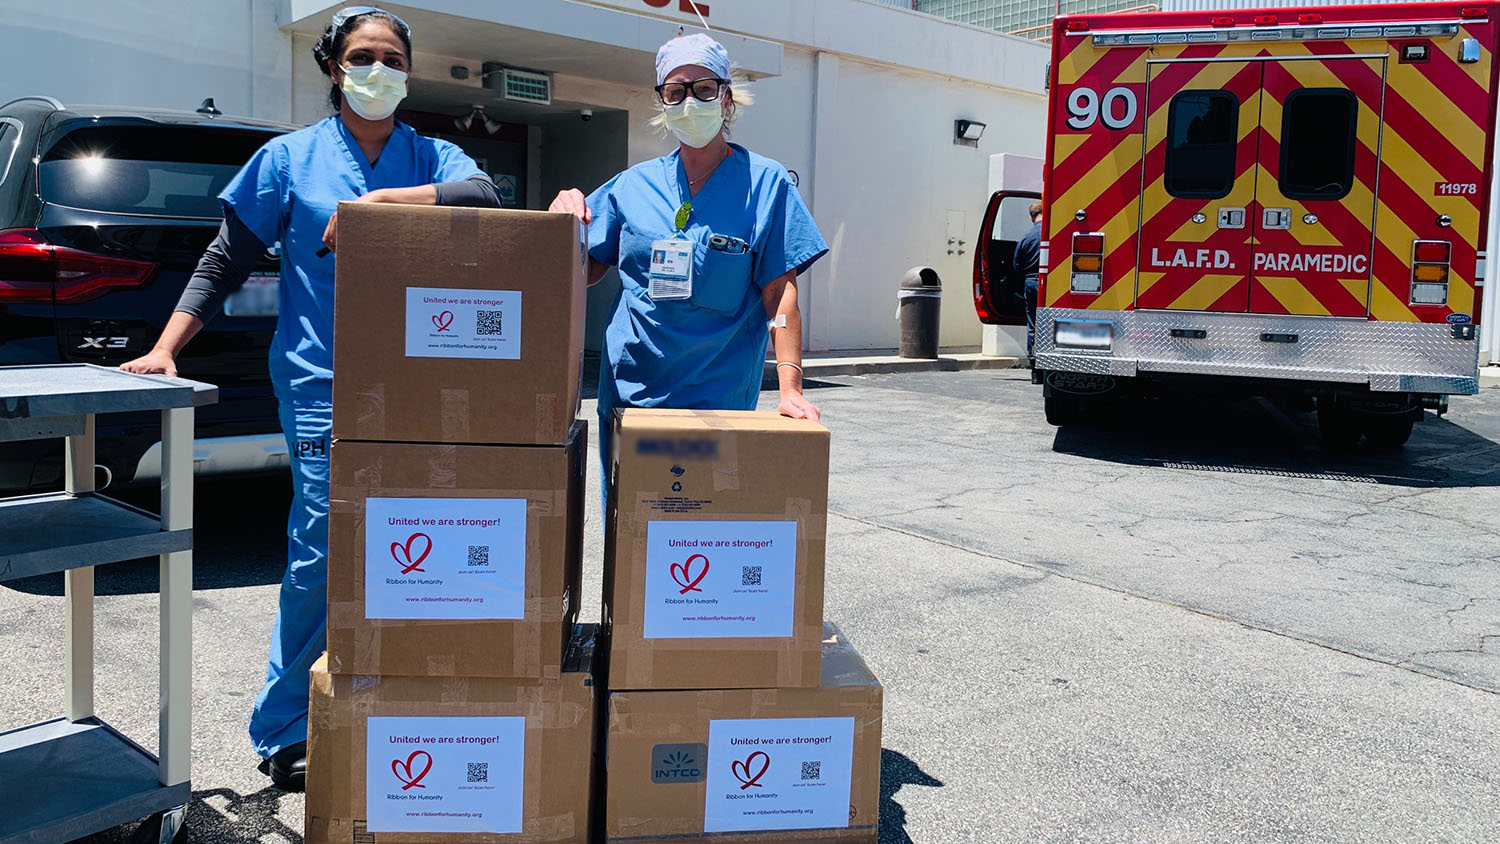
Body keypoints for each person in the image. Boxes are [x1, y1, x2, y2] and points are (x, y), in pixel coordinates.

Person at [121, 6, 501, 791]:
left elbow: (485, 197)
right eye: (362, 57)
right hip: (324, 382)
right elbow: (226, 260)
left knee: (420, 548)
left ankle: (395, 697)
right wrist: (165, 348)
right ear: (333, 67)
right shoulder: (289, 159)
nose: (378, 71)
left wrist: (385, 207)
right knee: (323, 550)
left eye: (393, 59)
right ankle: (287, 722)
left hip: (426, 388)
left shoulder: (432, 154)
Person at [549, 34, 828, 497]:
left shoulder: (766, 184)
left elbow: (779, 293)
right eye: (675, 92)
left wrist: (790, 388)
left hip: (716, 402)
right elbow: (587, 267)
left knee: (700, 522)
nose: (689, 101)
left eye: (703, 88)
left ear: (726, 99)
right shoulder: (632, 186)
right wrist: (566, 223)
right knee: (632, 531)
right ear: (662, 101)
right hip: (633, 395)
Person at [1015, 200, 1043, 366]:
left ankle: (1033, 363)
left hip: (1031, 281)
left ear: (1031, 217)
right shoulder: (1054, 233)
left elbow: (1017, 265)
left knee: (1033, 323)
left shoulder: (1025, 238)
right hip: (1050, 283)